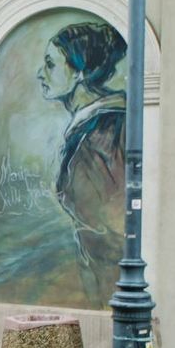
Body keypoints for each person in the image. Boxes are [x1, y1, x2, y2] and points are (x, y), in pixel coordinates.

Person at [37, 21, 128, 305]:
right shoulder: (90, 128)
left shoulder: (103, 135)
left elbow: (112, 228)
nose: (40, 73)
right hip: (100, 283)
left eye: (50, 64)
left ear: (78, 73)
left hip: (110, 286)